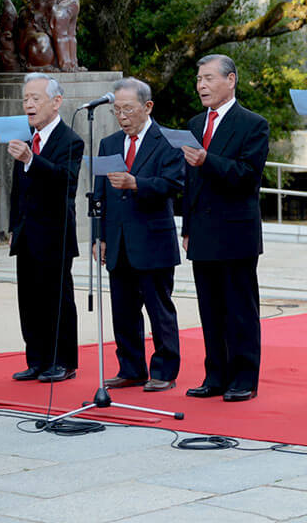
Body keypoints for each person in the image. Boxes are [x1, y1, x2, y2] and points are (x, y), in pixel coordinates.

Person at [181, 54, 270, 402]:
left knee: (239, 309)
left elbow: (248, 177)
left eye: (208, 78)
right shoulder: (192, 125)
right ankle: (214, 375)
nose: (201, 85)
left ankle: (244, 378)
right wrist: (187, 227)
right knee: (210, 308)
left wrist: (208, 160)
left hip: (235, 231)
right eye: (199, 79)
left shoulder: (252, 123)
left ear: (230, 80)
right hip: (202, 230)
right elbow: (189, 183)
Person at [95, 77, 184, 392]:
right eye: (116, 110)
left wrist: (136, 184)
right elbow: (100, 195)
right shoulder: (108, 143)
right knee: (123, 309)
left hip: (153, 240)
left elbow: (174, 184)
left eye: (128, 109)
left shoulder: (168, 140)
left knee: (159, 309)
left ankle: (164, 370)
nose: (122, 116)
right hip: (118, 241)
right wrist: (100, 236)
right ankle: (131, 368)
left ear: (147, 107)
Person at [8, 73, 83, 383]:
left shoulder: (70, 140)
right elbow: (17, 188)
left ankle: (63, 361)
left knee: (57, 299)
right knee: (29, 299)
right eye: (26, 98)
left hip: (55, 234)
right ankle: (36, 360)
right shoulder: (25, 136)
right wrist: (14, 225)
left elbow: (66, 182)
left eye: (35, 98)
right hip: (26, 232)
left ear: (56, 101)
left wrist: (32, 159)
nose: (29, 104)